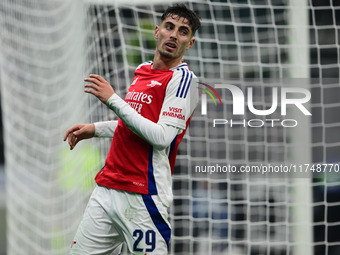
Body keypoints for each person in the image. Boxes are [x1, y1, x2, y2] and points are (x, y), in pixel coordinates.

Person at [64, 4, 201, 255]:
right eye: (169, 27)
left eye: (183, 32)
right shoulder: (142, 72)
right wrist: (95, 129)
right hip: (107, 189)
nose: (174, 35)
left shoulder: (184, 81)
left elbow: (160, 137)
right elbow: (133, 125)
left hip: (143, 196)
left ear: (189, 43)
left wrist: (113, 100)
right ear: (157, 31)